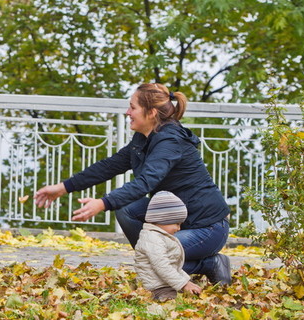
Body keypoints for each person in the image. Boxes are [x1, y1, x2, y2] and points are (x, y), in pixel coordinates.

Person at [34, 83, 232, 285]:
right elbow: (109, 166)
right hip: (177, 221)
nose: (128, 112)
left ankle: (209, 263)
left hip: (207, 228)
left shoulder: (170, 141)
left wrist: (103, 203)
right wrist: (62, 188)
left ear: (152, 112)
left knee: (150, 259)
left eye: (133, 107)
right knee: (127, 211)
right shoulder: (143, 138)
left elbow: (145, 182)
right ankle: (162, 257)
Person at [134, 191, 202, 301]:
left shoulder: (162, 236)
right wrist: (183, 284)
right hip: (154, 287)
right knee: (171, 300)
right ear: (163, 219)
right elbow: (162, 267)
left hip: (164, 282)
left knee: (191, 293)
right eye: (177, 224)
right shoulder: (152, 238)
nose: (179, 229)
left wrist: (186, 281)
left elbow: (174, 266)